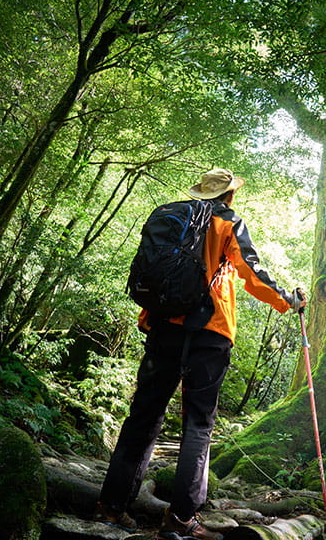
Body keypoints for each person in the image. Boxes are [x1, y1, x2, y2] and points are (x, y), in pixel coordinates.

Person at [94, 168, 306, 540]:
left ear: (201, 193)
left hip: (163, 326)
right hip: (209, 333)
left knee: (143, 417)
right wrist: (287, 300)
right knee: (198, 424)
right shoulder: (227, 222)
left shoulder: (173, 217)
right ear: (230, 195)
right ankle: (180, 519)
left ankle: (111, 507)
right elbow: (251, 272)